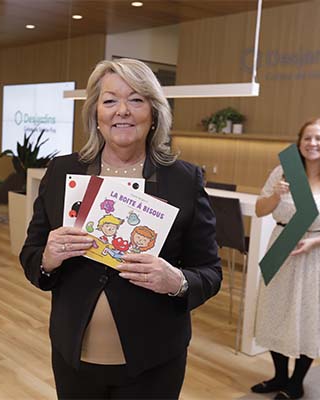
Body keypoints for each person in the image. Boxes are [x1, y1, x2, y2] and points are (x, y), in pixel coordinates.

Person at [19, 58, 222, 399]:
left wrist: (177, 281)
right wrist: (47, 258)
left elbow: (210, 271)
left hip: (154, 361)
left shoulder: (183, 180)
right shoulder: (62, 172)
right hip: (73, 357)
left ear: (154, 113)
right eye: (110, 100)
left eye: (136, 99)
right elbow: (31, 255)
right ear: (95, 113)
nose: (122, 111)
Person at [252, 118, 320, 399]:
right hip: (281, 247)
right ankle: (279, 376)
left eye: (319, 138)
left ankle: (296, 383)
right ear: (299, 143)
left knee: (308, 317)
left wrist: (314, 242)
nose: (312, 143)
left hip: (315, 255)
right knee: (275, 312)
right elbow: (260, 210)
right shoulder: (283, 172)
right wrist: (276, 196)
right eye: (307, 138)